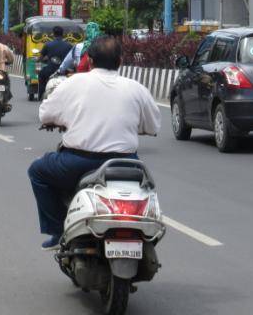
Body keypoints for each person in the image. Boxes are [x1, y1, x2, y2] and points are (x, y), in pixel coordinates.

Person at [28, 35, 161, 248]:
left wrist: (63, 119)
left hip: (77, 163)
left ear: (89, 60)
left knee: (37, 171)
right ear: (120, 61)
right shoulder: (136, 88)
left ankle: (58, 231)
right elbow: (153, 126)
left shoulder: (74, 83)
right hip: (126, 165)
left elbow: (45, 114)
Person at [37, 25, 73, 100]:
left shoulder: (47, 45)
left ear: (53, 34)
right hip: (64, 71)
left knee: (41, 75)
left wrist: (37, 68)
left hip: (50, 71)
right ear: (63, 34)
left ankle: (41, 96)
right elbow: (72, 60)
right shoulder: (69, 46)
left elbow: (39, 59)